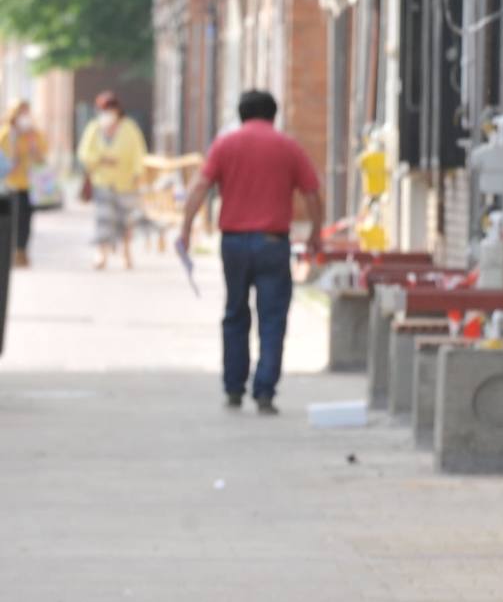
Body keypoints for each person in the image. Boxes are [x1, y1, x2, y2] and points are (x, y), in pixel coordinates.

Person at [177, 90, 323, 415]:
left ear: (241, 114)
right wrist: (315, 232)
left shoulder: (225, 145)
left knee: (235, 313)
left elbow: (200, 186)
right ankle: (265, 390)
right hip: (273, 242)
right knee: (272, 318)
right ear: (274, 115)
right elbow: (312, 191)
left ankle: (233, 388)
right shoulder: (288, 147)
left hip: (233, 243)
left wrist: (186, 228)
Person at [77, 91, 148, 270]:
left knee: (126, 220)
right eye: (104, 110)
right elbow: (84, 153)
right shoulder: (94, 128)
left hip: (126, 182)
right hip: (102, 181)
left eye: (110, 109)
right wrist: (101, 158)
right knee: (104, 219)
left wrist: (138, 175)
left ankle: (126, 252)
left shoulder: (129, 127)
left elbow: (139, 153)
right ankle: (102, 253)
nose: (108, 113)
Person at [0, 101, 48, 267]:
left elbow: (42, 158)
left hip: (30, 184)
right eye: (21, 112)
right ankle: (13, 251)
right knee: (13, 219)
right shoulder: (7, 134)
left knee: (26, 220)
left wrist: (32, 145)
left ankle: (22, 250)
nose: (24, 117)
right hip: (11, 185)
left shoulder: (34, 134)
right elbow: (5, 162)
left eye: (27, 112)